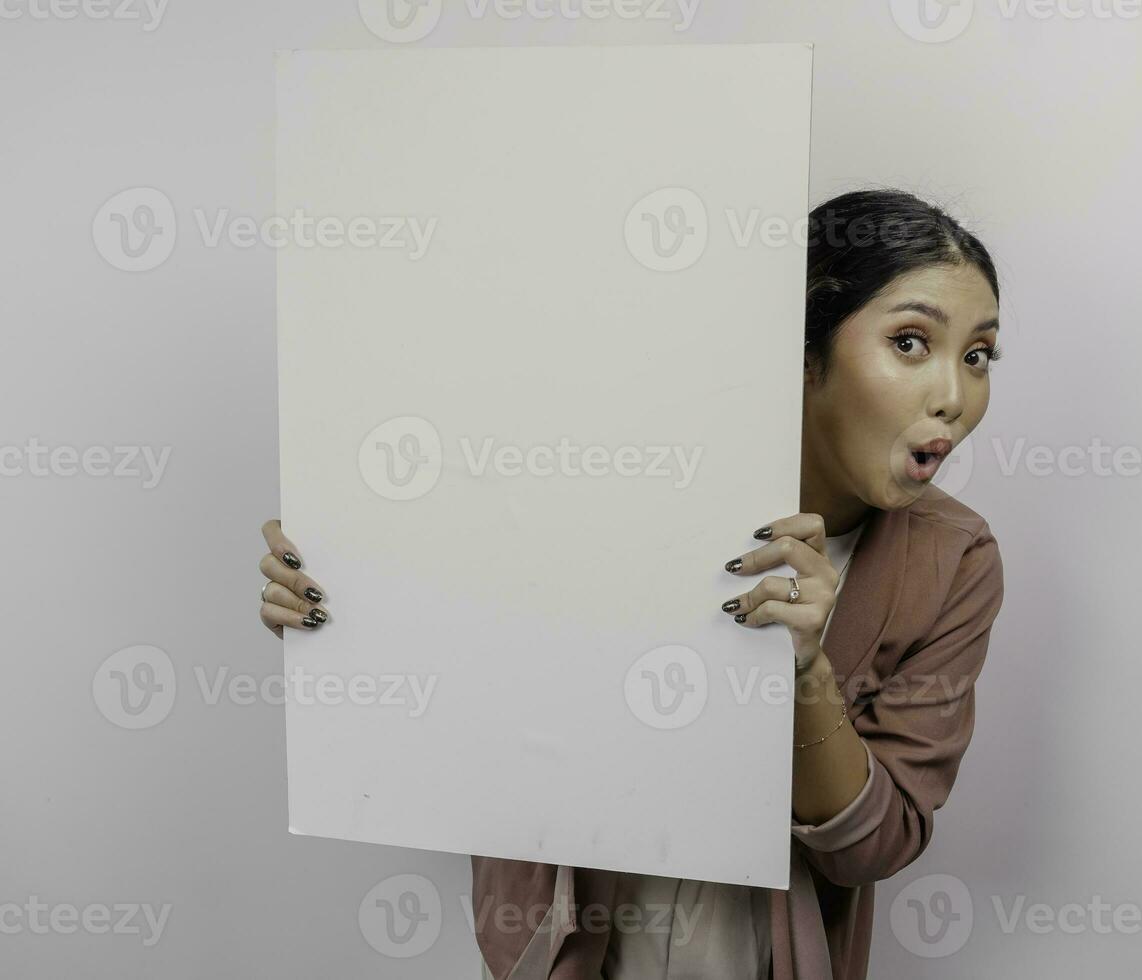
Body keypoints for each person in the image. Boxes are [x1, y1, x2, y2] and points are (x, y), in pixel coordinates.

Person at [257, 188, 1006, 979]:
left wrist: (806, 672)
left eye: (978, 356)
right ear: (803, 351)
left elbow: (875, 847)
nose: (954, 398)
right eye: (912, 343)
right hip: (563, 956)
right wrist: (342, 607)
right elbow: (479, 672)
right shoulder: (617, 474)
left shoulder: (955, 561)